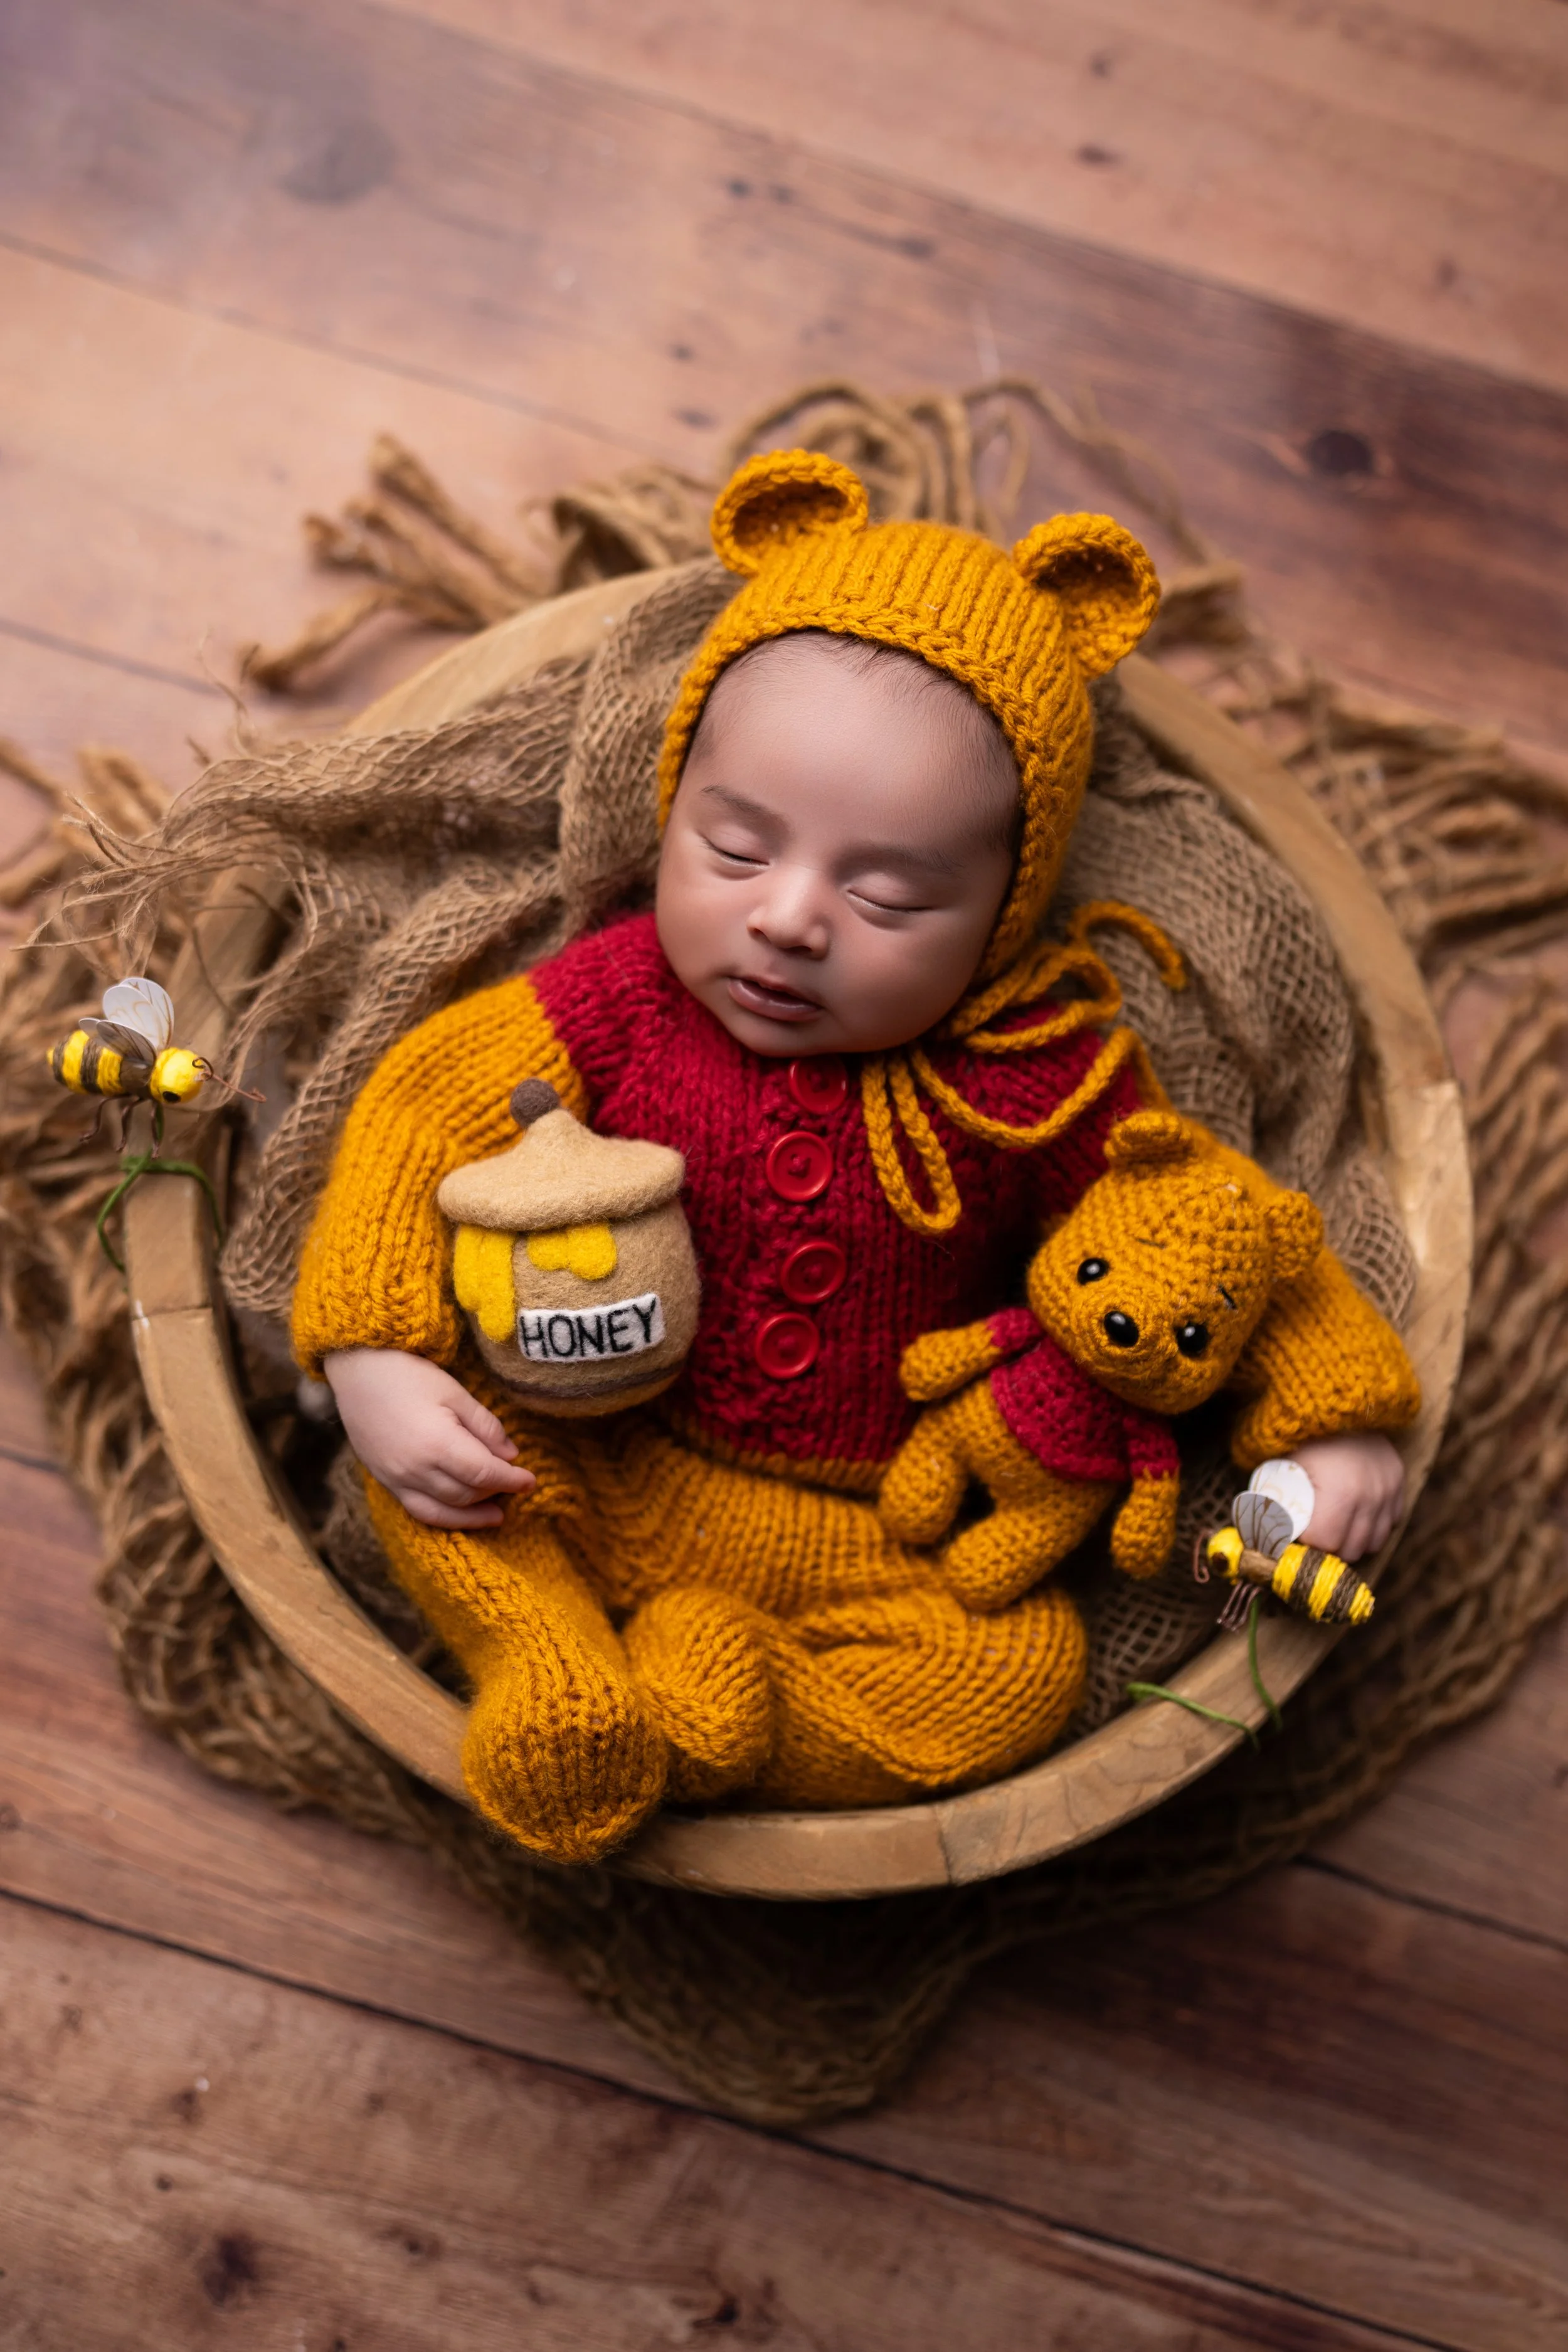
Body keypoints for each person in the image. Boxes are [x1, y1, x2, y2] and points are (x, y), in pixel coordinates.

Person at [294, 449, 1416, 1864]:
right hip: (597, 1447)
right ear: (672, 806)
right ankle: (553, 1669)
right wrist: (372, 1356)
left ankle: (728, 1710)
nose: (790, 921)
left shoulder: (1034, 1074)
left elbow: (1207, 1225)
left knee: (1010, 1681)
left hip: (875, 1529)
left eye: (886, 893)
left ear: (1004, 909)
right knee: (441, 1460)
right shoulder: (622, 995)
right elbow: (418, 1108)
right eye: (737, 849)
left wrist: (1331, 1416)